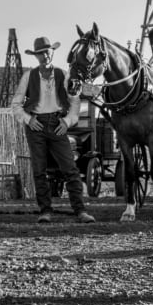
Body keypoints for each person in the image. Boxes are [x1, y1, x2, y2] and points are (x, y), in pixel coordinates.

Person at [14, 37, 94, 223]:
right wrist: (28, 119)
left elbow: (75, 102)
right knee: (39, 170)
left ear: (52, 52)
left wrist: (67, 122)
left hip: (57, 124)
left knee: (70, 168)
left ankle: (80, 211)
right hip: (36, 126)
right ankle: (45, 211)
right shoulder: (28, 77)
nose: (44, 55)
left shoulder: (63, 75)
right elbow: (16, 105)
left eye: (47, 51)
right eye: (40, 53)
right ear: (36, 56)